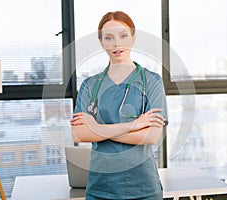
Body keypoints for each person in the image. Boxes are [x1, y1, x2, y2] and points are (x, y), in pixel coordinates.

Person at [70, 11, 168, 200]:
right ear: (101, 42)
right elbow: (79, 134)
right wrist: (133, 125)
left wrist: (97, 129)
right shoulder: (90, 85)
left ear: (133, 38)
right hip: (101, 188)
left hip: (143, 188)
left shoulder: (152, 81)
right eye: (109, 37)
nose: (117, 44)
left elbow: (151, 136)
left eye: (123, 36)